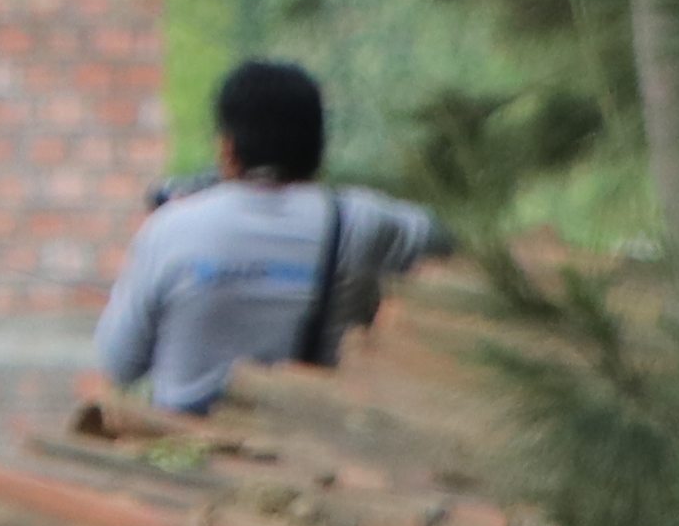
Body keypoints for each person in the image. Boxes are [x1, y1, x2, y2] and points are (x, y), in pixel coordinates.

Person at [92, 61, 441, 422]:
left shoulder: (171, 228)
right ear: (318, 147)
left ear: (227, 147)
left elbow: (119, 364)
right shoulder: (360, 221)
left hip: (186, 451)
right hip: (311, 449)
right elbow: (446, 237)